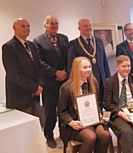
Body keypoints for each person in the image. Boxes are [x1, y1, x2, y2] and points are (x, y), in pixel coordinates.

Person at [58, 56, 110, 153]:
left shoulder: (93, 82)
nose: (88, 70)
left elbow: (97, 103)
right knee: (90, 137)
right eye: (85, 67)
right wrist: (71, 122)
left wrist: (98, 113)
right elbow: (62, 112)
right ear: (77, 69)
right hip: (75, 123)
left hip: (92, 120)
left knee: (105, 135)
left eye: (89, 67)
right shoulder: (66, 88)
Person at [2, 18, 51, 116]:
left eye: (28, 26)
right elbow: (14, 74)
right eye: (23, 26)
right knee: (22, 129)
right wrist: (33, 88)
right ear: (14, 28)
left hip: (35, 97)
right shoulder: (9, 47)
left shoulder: (31, 45)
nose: (27, 28)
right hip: (20, 97)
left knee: (34, 128)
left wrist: (39, 86)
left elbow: (39, 68)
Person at [33, 15, 68, 148]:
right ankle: (49, 136)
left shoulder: (64, 38)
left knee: (64, 109)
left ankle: (64, 134)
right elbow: (40, 61)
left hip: (64, 81)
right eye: (51, 23)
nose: (54, 25)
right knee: (50, 111)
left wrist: (64, 72)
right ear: (45, 26)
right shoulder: (38, 41)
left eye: (56, 23)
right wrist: (55, 72)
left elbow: (67, 58)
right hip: (49, 82)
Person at [68, 18, 111, 108]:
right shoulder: (74, 44)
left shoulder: (98, 41)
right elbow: (71, 65)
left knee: (104, 103)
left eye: (89, 25)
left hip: (101, 79)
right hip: (86, 80)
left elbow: (104, 61)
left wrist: (108, 77)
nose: (88, 28)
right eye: (85, 26)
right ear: (79, 28)